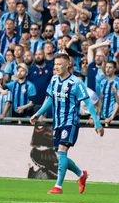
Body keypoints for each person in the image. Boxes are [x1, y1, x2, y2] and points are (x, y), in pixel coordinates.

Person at [30, 54, 104, 194]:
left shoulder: (76, 82)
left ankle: (58, 186)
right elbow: (50, 99)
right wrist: (38, 113)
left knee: (62, 152)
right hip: (57, 123)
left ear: (67, 65)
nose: (56, 67)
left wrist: (96, 122)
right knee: (60, 156)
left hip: (70, 122)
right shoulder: (54, 80)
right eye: (55, 64)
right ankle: (81, 174)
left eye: (59, 64)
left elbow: (88, 102)